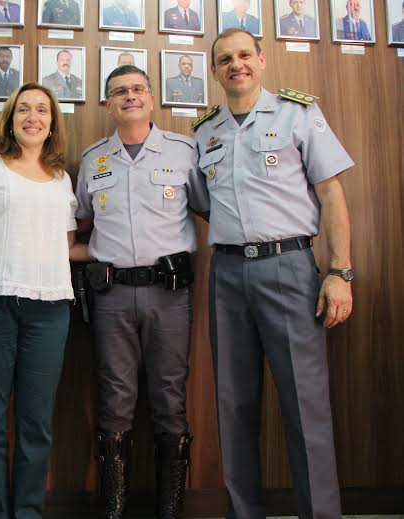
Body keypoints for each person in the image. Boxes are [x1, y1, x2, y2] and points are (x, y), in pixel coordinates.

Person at [193, 28, 354, 519]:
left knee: (306, 409)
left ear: (261, 60)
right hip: (227, 274)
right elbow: (204, 204)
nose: (235, 65)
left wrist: (340, 272)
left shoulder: (298, 113)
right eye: (225, 59)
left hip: (289, 269)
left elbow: (331, 196)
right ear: (215, 70)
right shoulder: (205, 132)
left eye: (244, 55)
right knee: (234, 406)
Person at [74, 65, 209, 519]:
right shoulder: (93, 159)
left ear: (151, 98)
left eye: (137, 89)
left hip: (169, 295)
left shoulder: (183, 150)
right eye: (119, 92)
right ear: (107, 104)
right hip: (111, 297)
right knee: (115, 400)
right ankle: (114, 509)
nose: (129, 97)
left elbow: (210, 209)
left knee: (170, 399)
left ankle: (170, 509)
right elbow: (82, 223)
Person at [0, 82, 80, 519]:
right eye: (23, 109)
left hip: (50, 311)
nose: (32, 117)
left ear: (52, 123)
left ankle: (27, 512)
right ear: (10, 119)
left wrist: (122, 251)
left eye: (42, 110)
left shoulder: (62, 178)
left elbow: (67, 245)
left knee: (36, 424)